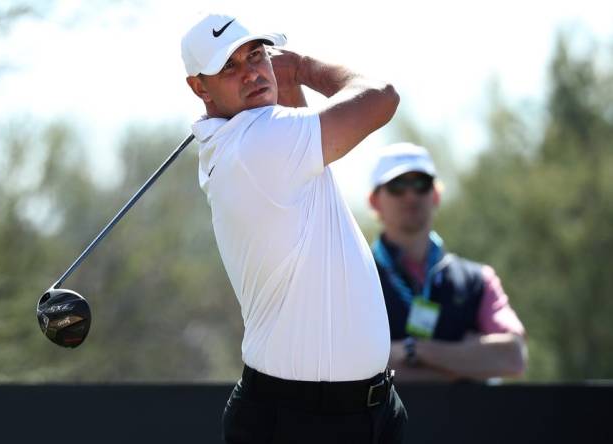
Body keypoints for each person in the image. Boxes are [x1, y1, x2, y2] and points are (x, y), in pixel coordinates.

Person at [181, 13, 405, 443]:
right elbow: (382, 97)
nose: (250, 72)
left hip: (356, 413)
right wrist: (301, 67)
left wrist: (283, 86)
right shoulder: (258, 140)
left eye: (257, 54)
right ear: (199, 87)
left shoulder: (253, 142)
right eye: (229, 66)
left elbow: (308, 154)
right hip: (302, 421)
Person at [367, 143, 528, 382]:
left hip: (464, 421)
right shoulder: (352, 276)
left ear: (436, 195)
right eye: (397, 186)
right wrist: (465, 360)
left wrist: (413, 351)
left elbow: (513, 356)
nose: (411, 195)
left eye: (421, 184)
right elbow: (341, 365)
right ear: (375, 201)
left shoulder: (478, 279)